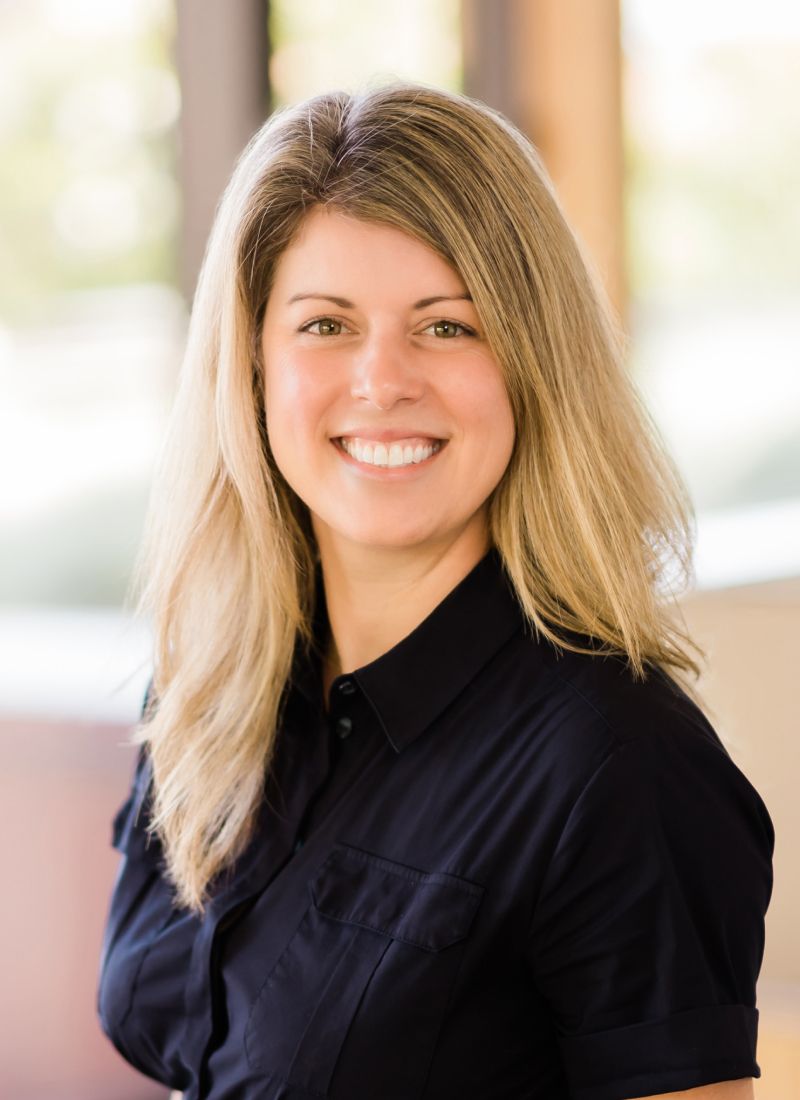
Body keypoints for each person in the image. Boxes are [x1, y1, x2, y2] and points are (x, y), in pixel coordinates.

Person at [97, 83, 774, 1100]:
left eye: (447, 327)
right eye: (324, 324)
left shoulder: (619, 762)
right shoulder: (211, 683)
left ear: (531, 365)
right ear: (251, 370)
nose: (381, 378)